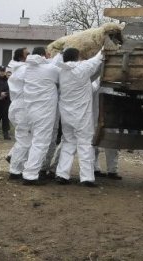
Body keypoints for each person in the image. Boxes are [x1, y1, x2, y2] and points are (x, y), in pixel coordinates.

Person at [54, 48, 103, 187]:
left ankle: (62, 174)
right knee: (85, 144)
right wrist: (106, 43)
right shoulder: (82, 69)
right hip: (82, 117)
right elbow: (98, 59)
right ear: (77, 57)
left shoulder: (62, 72)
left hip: (66, 115)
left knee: (68, 143)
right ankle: (87, 177)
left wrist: (97, 81)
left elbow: (88, 88)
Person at [21, 47, 60, 185]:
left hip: (31, 110)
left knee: (34, 141)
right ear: (44, 55)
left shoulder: (27, 69)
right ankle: (30, 175)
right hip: (44, 112)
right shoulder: (50, 70)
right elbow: (62, 73)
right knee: (41, 143)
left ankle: (28, 170)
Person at [7, 47, 29, 179]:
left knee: (25, 138)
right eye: (28, 54)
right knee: (24, 141)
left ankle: (11, 156)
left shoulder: (19, 69)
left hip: (18, 107)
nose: (31, 56)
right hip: (21, 108)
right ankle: (15, 170)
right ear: (21, 57)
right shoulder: (24, 70)